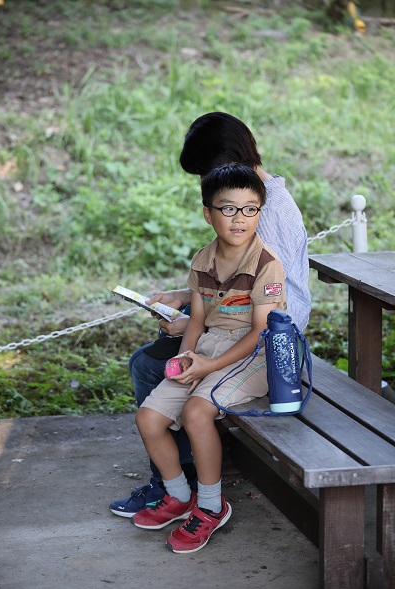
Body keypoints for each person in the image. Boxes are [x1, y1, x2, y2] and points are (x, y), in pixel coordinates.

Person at [109, 111, 310, 518]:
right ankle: (178, 483)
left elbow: (278, 297)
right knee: (149, 363)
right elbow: (234, 278)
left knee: (150, 367)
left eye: (205, 171)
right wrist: (188, 296)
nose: (204, 182)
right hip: (231, 323)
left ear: (228, 161)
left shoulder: (269, 209)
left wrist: (195, 324)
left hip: (268, 335)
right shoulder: (245, 199)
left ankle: (184, 484)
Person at [131, 163, 287, 553]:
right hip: (208, 346)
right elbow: (197, 319)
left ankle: (211, 505)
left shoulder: (267, 264)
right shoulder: (203, 260)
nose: (240, 218)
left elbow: (257, 332)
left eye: (250, 208)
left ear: (260, 212)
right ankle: (179, 495)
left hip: (253, 355)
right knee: (148, 418)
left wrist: (208, 367)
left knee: (198, 412)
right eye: (228, 208)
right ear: (208, 213)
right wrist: (187, 356)